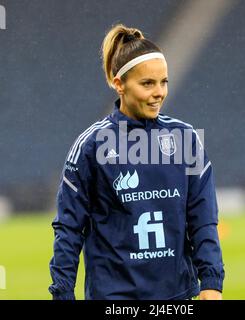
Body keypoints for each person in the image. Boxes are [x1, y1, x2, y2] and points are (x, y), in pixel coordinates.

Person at [49, 24, 225, 300]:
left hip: (175, 297)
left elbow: (203, 219)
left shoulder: (185, 139)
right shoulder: (91, 147)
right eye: (147, 83)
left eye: (163, 82)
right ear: (119, 84)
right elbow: (69, 229)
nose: (159, 92)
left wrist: (211, 282)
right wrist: (62, 293)